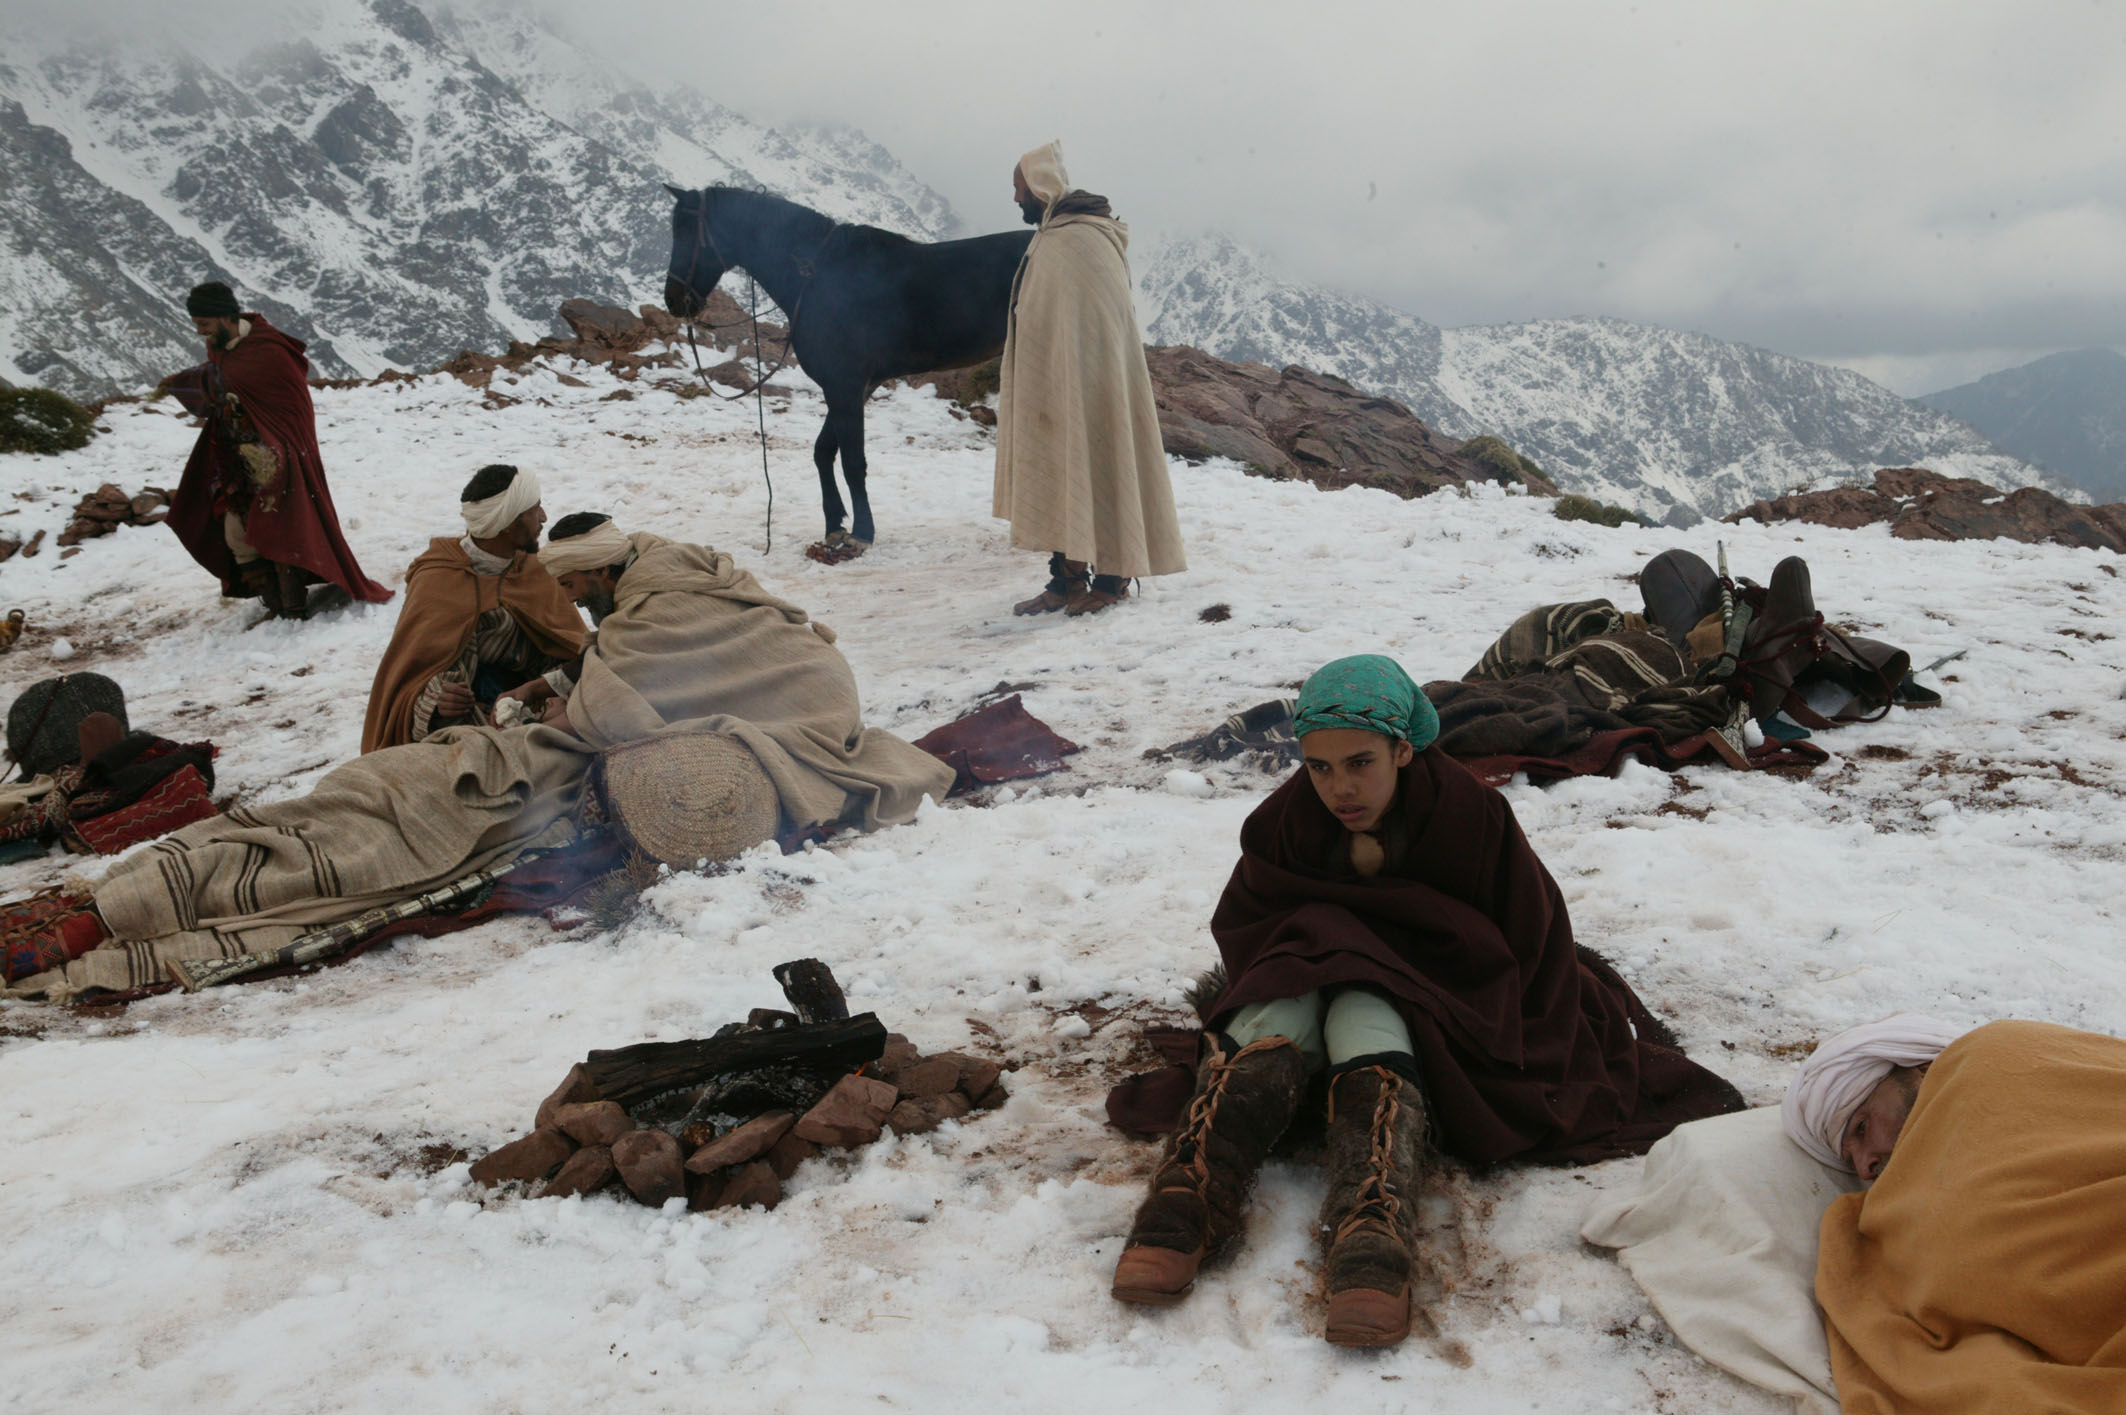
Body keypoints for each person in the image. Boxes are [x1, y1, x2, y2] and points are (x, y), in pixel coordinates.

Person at [4, 516, 953, 1000]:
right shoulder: (681, 597)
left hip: (545, 780)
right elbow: (620, 683)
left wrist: (566, 703)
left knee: (371, 834)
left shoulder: (665, 614)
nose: (575, 602)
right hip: (520, 750)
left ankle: (109, 918)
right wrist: (554, 692)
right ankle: (116, 897)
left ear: (604, 570)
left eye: (580, 587)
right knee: (360, 790)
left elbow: (618, 711)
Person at [1106, 654, 1743, 1347]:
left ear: (1403, 750)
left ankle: (1371, 1224)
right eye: (1319, 767)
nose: (1340, 788)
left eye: (1360, 763)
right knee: (1282, 1003)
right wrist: (1325, 950)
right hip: (1308, 995)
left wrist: (1378, 959)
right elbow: (1253, 932)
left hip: (1432, 999)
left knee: (1365, 1005)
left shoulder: (1470, 818)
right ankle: (1188, 1195)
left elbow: (1525, 942)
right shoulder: (1286, 823)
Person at [502, 513, 956, 832]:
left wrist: (563, 716)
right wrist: (537, 688)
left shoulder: (654, 605)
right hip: (818, 675)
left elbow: (621, 693)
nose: (571, 600)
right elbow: (617, 658)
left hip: (810, 697)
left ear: (601, 568)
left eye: (570, 585)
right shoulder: (652, 563)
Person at [1794, 1018, 2126, 1412]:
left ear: (1919, 1069)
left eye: (1862, 1127)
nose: (1866, 1167)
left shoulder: (1996, 1051)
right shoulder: (1904, 1204)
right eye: (1852, 1159)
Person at [995, 141, 1185, 618]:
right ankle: (1066, 579)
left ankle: (1112, 579)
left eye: (1019, 188)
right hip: (1054, 382)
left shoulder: (1084, 239)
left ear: (1038, 187)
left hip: (1096, 385)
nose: (1016, 198)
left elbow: (1099, 324)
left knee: (1102, 462)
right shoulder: (1052, 236)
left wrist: (1079, 370)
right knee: (1061, 467)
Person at [162, 281, 390, 618]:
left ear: (225, 316)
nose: (201, 332)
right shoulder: (220, 346)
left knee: (282, 528)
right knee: (237, 533)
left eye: (205, 324)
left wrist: (280, 449)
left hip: (279, 455)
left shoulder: (269, 351)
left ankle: (293, 607)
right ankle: (274, 604)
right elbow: (222, 380)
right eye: (197, 324)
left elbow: (291, 407)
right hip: (236, 459)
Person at [360, 465, 586, 752]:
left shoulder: (535, 571)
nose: (543, 517)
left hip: (537, 706)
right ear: (507, 524)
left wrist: (545, 690)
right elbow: (410, 679)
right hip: (463, 732)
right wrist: (438, 704)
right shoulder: (437, 580)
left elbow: (570, 650)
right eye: (534, 510)